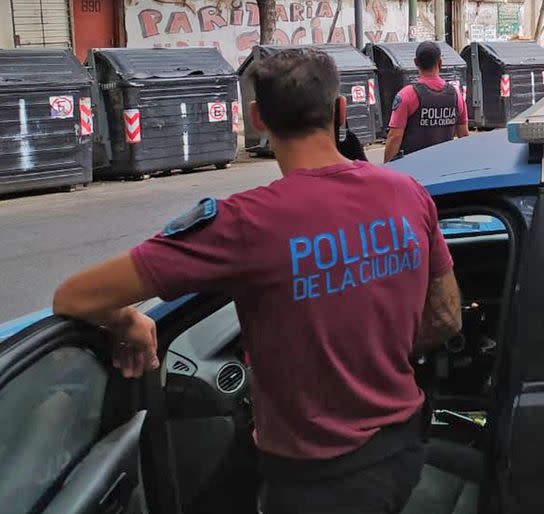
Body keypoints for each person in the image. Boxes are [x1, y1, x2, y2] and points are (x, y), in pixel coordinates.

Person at [52, 48, 462, 514]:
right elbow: (446, 317)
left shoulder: (243, 224)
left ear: (257, 118)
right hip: (404, 446)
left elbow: (74, 295)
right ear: (341, 109)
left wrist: (126, 321)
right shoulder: (407, 192)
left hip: (314, 482)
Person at [384, 41, 470, 163]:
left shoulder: (407, 95)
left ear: (416, 62)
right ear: (440, 63)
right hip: (444, 168)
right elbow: (464, 136)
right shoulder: (456, 95)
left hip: (413, 170)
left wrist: (387, 171)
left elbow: (395, 136)